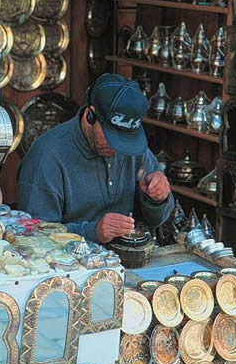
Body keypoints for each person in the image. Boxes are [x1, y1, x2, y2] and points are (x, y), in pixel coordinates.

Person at [18, 73, 174, 243]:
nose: (118, 147)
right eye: (112, 136)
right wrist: (92, 233)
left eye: (126, 138)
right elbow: (34, 236)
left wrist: (157, 199)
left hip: (127, 258)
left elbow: (158, 219)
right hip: (71, 265)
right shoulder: (47, 156)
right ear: (89, 115)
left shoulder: (133, 149)